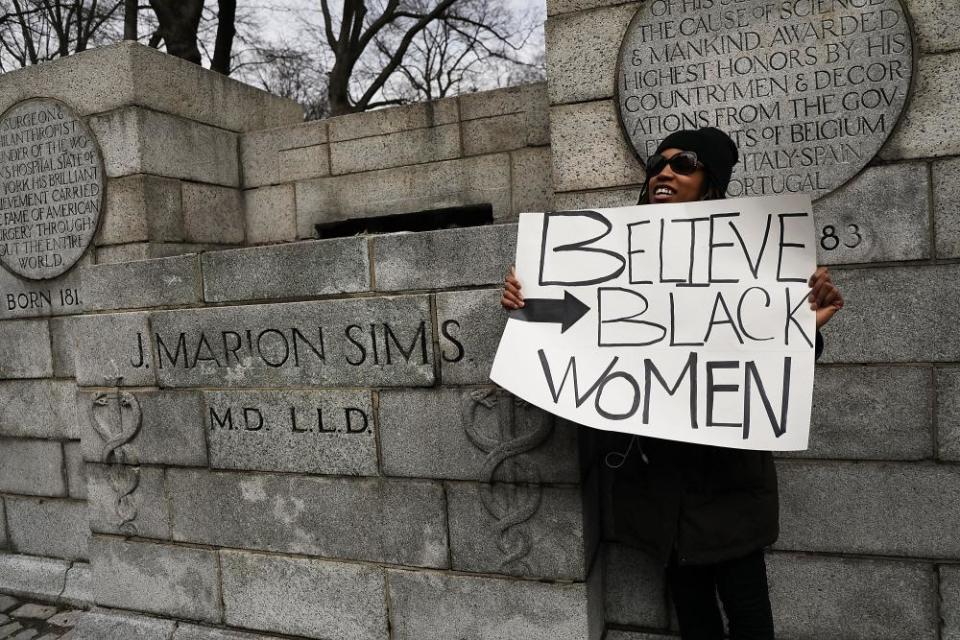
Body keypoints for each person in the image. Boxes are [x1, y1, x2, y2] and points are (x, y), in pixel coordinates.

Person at [500, 127, 844, 640]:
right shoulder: (613, 255)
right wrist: (526, 307)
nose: (664, 171)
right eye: (657, 164)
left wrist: (802, 328)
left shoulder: (748, 255)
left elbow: (766, 360)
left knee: (748, 616)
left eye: (684, 163)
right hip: (657, 481)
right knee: (693, 616)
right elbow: (585, 331)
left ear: (712, 182)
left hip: (726, 478)